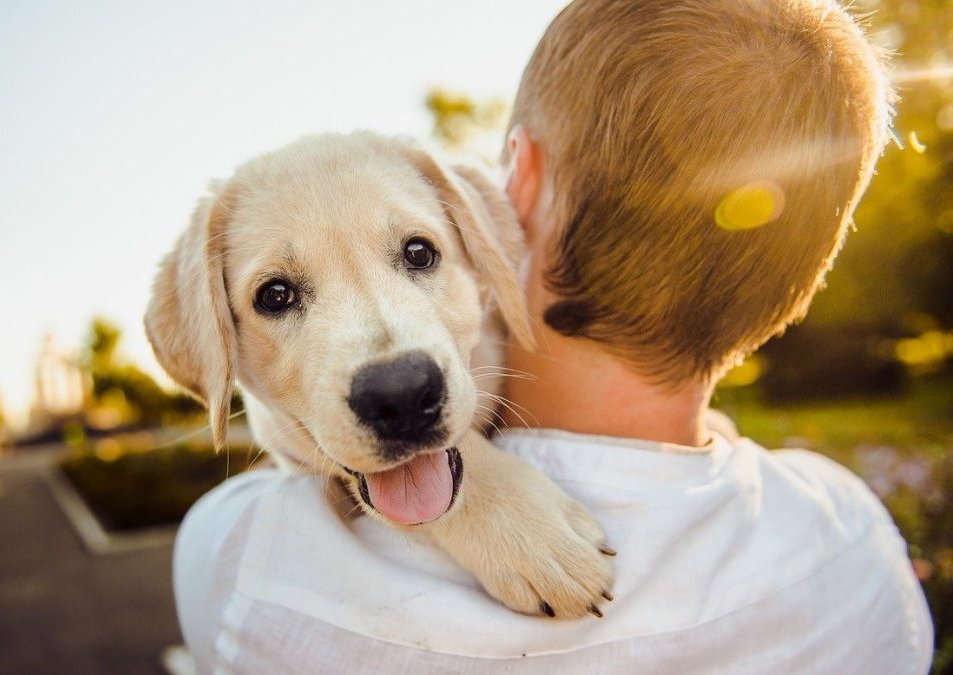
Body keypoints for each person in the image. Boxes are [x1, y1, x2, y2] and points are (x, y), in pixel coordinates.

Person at [173, 0, 934, 672]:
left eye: (417, 254)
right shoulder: (854, 538)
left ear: (516, 189)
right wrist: (474, 489)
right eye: (278, 295)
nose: (391, 363)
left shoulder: (245, 565)